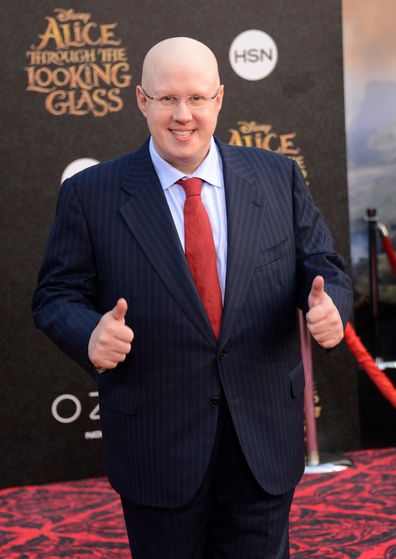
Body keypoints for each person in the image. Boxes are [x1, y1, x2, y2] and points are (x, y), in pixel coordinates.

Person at [32, 37, 353, 558]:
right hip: (157, 445)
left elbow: (321, 268)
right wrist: (88, 333)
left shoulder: (278, 177)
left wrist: (330, 304)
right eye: (166, 99)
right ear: (141, 99)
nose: (183, 115)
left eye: (198, 99)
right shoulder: (91, 193)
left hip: (263, 439)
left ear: (220, 99)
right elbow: (55, 295)